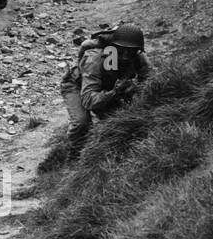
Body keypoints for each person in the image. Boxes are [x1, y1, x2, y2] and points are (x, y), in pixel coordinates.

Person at [58, 22, 150, 157]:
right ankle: (75, 156)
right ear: (113, 47)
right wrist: (114, 93)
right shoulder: (95, 58)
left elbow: (150, 80)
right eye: (121, 50)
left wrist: (135, 90)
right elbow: (88, 100)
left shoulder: (137, 55)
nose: (125, 56)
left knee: (119, 120)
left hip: (108, 86)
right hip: (76, 85)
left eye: (129, 52)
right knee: (82, 122)